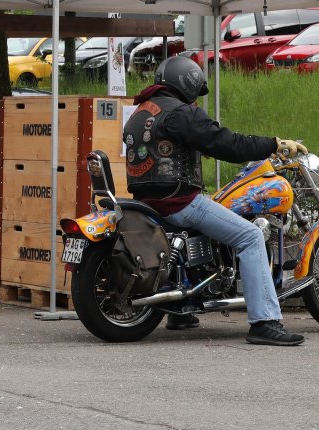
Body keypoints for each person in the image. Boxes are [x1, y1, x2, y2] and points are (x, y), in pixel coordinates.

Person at [124, 55, 308, 346]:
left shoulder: (141, 110)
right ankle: (264, 321)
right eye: (195, 92)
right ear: (186, 84)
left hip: (148, 203)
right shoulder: (181, 112)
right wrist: (272, 144)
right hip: (179, 202)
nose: (196, 99)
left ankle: (181, 311)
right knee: (250, 236)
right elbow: (229, 144)